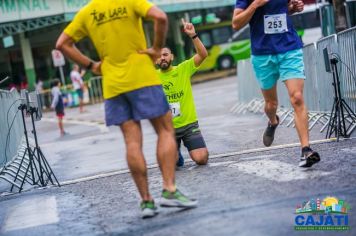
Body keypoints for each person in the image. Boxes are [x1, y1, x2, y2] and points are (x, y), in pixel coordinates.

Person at [56, 0, 197, 218]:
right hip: (143, 78)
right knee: (165, 131)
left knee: (132, 141)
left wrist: (92, 66)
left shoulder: (87, 12)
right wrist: (157, 49)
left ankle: (146, 202)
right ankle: (169, 189)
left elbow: (62, 44)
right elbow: (160, 17)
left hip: (113, 85)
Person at [232, 0, 320, 167]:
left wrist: (293, 8)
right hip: (262, 54)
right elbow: (236, 23)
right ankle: (273, 121)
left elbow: (282, 10)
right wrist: (255, 4)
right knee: (271, 104)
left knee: (297, 97)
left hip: (289, 48)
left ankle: (306, 150)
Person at [156, 19, 209, 167]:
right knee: (170, 163)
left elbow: (203, 55)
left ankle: (179, 149)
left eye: (165, 54)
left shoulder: (183, 69)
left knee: (201, 159)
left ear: (171, 56)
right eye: (159, 56)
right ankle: (175, 154)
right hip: (167, 128)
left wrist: (193, 35)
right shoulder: (152, 77)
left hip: (188, 125)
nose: (162, 58)